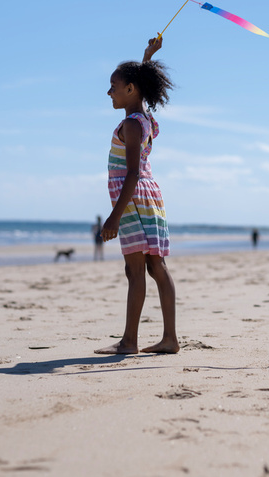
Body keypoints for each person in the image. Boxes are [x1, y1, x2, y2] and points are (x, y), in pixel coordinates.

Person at [94, 36, 179, 355]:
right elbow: (141, 82)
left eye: (114, 86)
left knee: (135, 269)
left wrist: (113, 216)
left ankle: (130, 341)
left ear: (131, 88)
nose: (109, 92)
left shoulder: (131, 124)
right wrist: (148, 55)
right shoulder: (145, 119)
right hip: (149, 196)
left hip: (134, 198)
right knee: (156, 266)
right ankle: (169, 338)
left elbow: (130, 173)